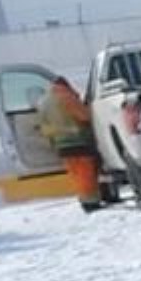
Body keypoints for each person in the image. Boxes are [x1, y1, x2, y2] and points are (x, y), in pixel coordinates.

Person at [36, 72, 101, 206]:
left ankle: (84, 198)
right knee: (86, 173)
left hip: (61, 145)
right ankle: (91, 201)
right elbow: (84, 116)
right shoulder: (66, 97)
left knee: (76, 174)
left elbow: (44, 127)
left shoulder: (43, 101)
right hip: (78, 141)